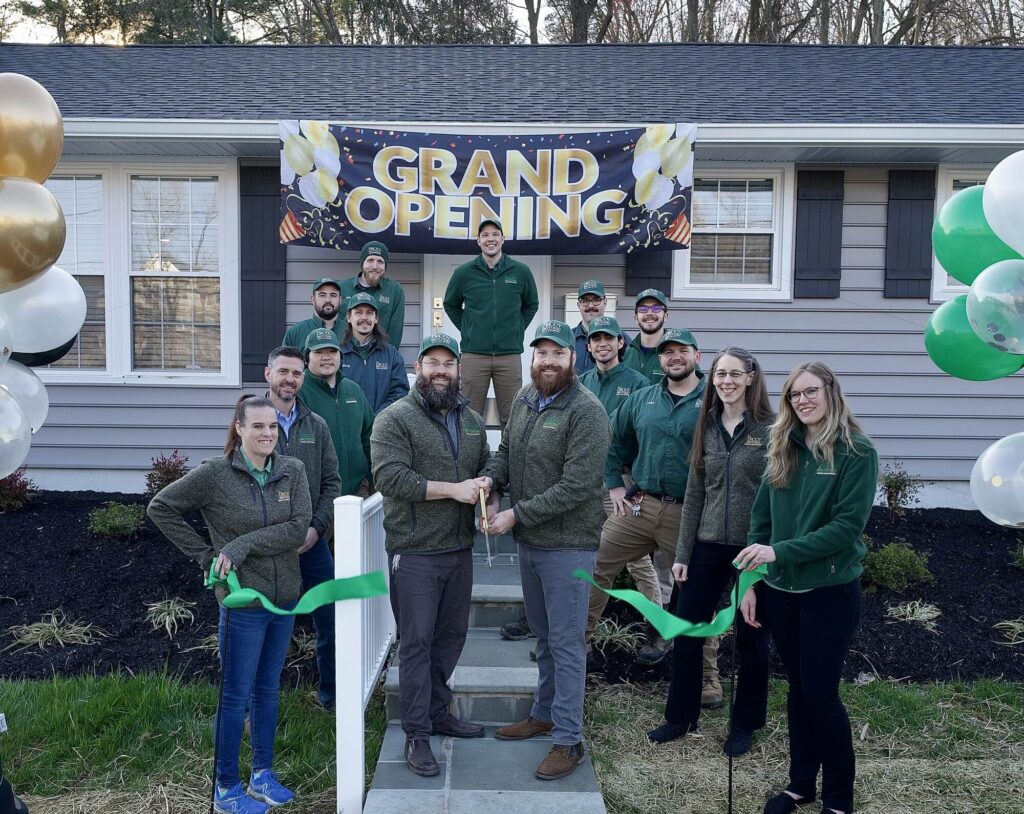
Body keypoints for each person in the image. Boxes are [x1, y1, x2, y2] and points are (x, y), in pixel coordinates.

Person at [148, 395, 312, 814]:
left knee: (268, 689)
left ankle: (261, 774)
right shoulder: (215, 475)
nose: (267, 434)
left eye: (273, 427)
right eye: (257, 426)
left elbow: (297, 531)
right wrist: (207, 556)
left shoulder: (292, 471)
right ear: (239, 429)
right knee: (236, 694)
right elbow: (160, 507)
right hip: (242, 603)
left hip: (284, 600)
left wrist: (241, 545)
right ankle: (225, 787)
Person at [735, 362, 878, 814]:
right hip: (780, 592)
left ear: (831, 392)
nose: (803, 401)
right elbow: (760, 523)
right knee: (797, 690)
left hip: (829, 591)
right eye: (794, 395)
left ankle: (839, 799)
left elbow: (846, 529)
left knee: (820, 693)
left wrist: (780, 553)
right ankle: (801, 785)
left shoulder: (856, 451)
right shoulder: (783, 447)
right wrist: (750, 583)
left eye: (810, 391)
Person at [482, 320, 610, 781]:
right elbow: (507, 454)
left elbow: (578, 486)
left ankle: (568, 740)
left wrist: (516, 514)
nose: (549, 361)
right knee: (544, 637)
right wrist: (492, 482)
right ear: (531, 358)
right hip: (532, 544)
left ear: (573, 358)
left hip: (569, 547)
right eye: (541, 353)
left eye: (558, 353)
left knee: (567, 642)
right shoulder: (523, 399)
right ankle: (544, 713)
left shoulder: (587, 411)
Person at [371, 333, 493, 777]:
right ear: (418, 369)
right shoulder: (395, 418)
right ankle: (417, 734)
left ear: (459, 370)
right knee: (417, 644)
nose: (441, 371)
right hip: (415, 552)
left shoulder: (472, 419)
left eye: (448, 363)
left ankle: (439, 712)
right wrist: (453, 490)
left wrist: (486, 485)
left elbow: (488, 462)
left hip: (459, 549)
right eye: (432, 363)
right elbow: (391, 477)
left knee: (450, 639)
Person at [648, 346, 773, 752]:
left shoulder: (771, 430)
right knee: (686, 632)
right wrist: (682, 554)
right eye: (720, 374)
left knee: (751, 642)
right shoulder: (709, 425)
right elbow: (695, 494)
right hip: (706, 545)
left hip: (752, 549)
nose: (727, 381)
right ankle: (680, 717)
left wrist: (767, 548)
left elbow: (779, 497)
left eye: (736, 374)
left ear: (751, 377)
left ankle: (744, 726)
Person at [586, 329, 721, 694]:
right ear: (658, 359)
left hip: (688, 512)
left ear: (697, 355)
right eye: (667, 352)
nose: (674, 357)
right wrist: (614, 483)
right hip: (640, 506)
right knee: (596, 565)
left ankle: (707, 674)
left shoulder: (714, 401)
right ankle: (574, 647)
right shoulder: (643, 398)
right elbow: (612, 439)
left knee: (696, 588)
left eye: (682, 351)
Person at [264, 345, 342, 711]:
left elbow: (332, 483)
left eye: (296, 373)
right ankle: (263, 700)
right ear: (269, 374)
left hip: (313, 545)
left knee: (330, 620)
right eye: (283, 372)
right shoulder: (251, 421)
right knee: (267, 626)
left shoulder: (316, 425)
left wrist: (317, 528)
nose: (290, 379)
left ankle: (331, 694)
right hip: (268, 548)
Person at [579, 315, 664, 609]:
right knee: (582, 553)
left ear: (620, 343)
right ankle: (582, 627)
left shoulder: (638, 384)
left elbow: (646, 436)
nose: (602, 345)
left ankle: (657, 623)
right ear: (588, 347)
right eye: (596, 340)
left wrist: (635, 483)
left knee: (637, 561)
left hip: (620, 483)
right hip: (584, 479)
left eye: (608, 339)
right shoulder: (582, 383)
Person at [443, 218, 539, 428]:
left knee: (513, 417)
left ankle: (509, 461)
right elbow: (450, 305)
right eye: (485, 235)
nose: (490, 239)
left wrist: (517, 328)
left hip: (509, 356)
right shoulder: (464, 273)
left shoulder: (520, 272)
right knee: (468, 415)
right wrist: (469, 328)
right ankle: (471, 461)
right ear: (478, 241)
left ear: (503, 239)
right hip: (474, 355)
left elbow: (531, 304)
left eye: (495, 234)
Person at [299, 328, 374, 497]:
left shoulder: (353, 389)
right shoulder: (300, 393)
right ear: (307, 358)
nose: (327, 357)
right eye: (319, 352)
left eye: (332, 351)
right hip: (318, 497)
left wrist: (372, 480)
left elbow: (369, 437)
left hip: (358, 491)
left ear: (340, 355)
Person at [339, 291, 409, 414]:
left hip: (382, 428)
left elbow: (400, 392)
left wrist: (379, 417)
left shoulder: (392, 355)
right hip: (348, 426)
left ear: (376, 318)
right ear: (349, 317)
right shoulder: (338, 354)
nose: (364, 318)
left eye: (369, 313)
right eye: (359, 312)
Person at [339, 240, 406, 350]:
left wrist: (388, 358)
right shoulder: (342, 288)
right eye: (370, 260)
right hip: (346, 355)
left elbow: (395, 330)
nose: (375, 266)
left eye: (380, 261)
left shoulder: (394, 290)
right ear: (362, 263)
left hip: (380, 355)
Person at [623, 288, 669, 385]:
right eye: (643, 309)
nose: (649, 313)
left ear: (665, 316)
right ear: (636, 318)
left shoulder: (677, 354)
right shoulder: (625, 355)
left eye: (656, 308)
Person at [281, 277, 342, 350]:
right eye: (322, 295)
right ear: (313, 299)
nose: (328, 300)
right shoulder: (295, 333)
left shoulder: (351, 331)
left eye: (333, 295)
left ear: (340, 300)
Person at [572, 279, 611, 375]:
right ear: (578, 305)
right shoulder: (567, 338)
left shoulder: (620, 338)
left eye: (596, 300)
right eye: (585, 301)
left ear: (605, 302)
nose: (590, 305)